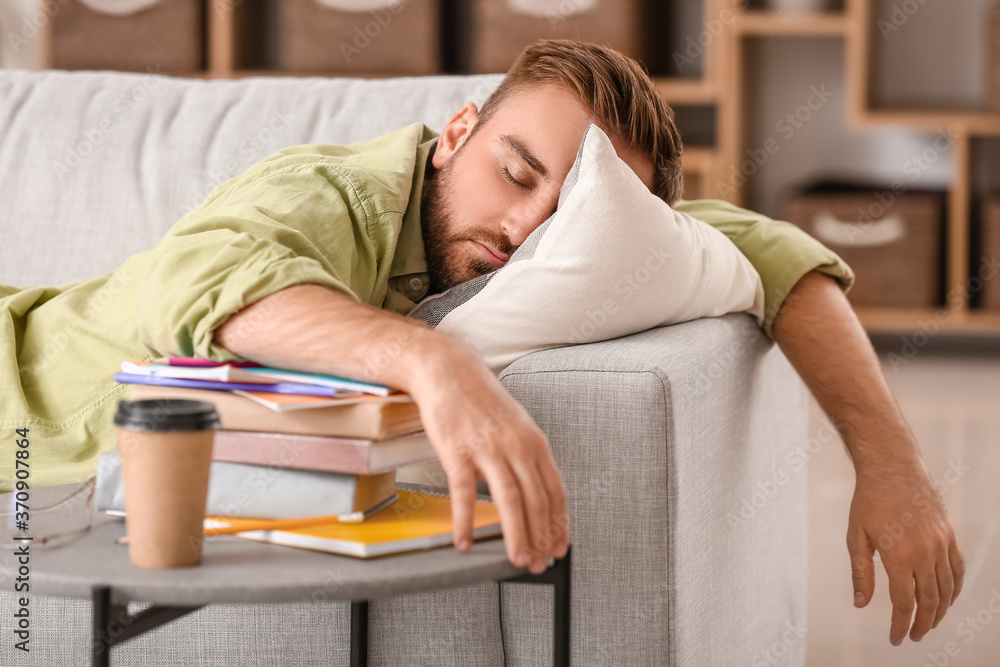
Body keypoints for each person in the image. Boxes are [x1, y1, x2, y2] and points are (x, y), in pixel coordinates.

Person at [1, 39, 961, 646]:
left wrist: (893, 465)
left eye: (566, 211)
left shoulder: (597, 239)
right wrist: (432, 358)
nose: (526, 230)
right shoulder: (338, 193)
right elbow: (197, 283)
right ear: (457, 133)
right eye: (515, 171)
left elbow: (777, 254)